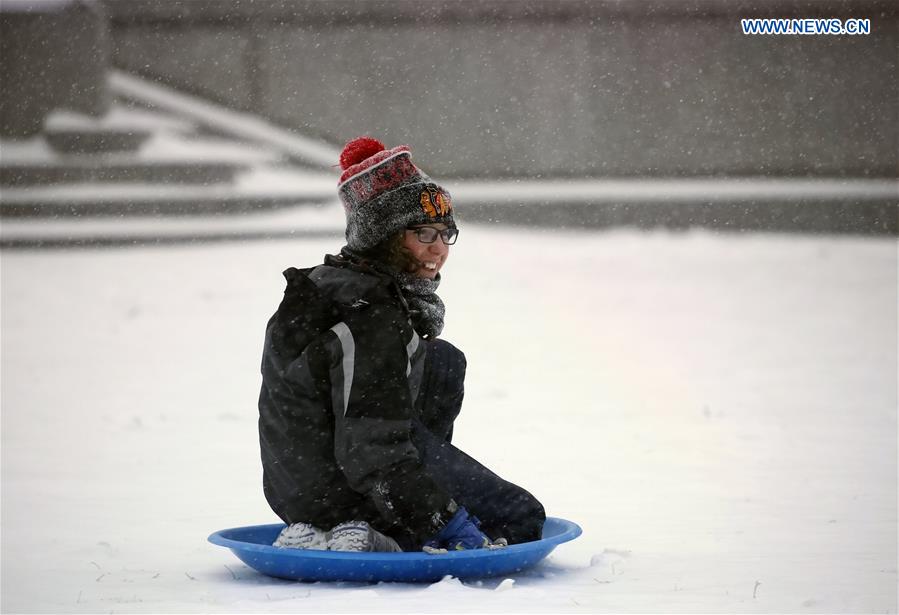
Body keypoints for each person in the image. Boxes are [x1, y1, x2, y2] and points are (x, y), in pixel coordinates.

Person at [258, 136, 545, 553]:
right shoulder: (368, 311)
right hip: (339, 485)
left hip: (303, 483)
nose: (438, 249)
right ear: (384, 237)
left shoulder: (336, 286)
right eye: (423, 232)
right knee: (520, 519)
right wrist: (442, 520)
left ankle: (369, 519)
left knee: (442, 360)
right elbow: (369, 444)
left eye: (446, 234)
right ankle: (377, 529)